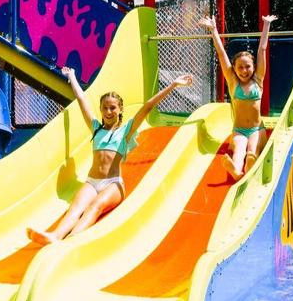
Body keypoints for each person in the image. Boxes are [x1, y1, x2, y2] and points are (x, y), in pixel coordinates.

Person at [26, 67, 193, 244]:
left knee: (94, 207)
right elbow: (82, 99)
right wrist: (72, 76)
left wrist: (173, 85)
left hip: (113, 185)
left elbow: (148, 107)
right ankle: (56, 236)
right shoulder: (96, 127)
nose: (108, 112)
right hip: (92, 182)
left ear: (120, 109)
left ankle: (72, 240)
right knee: (75, 208)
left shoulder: (125, 132)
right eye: (105, 108)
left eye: (112, 108)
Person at [199, 14, 277, 181]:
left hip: (257, 129)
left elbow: (262, 49)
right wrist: (213, 30)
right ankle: (236, 170)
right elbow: (221, 54)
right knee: (240, 149)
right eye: (240, 67)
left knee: (252, 150)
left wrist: (266, 26)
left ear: (254, 67)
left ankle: (249, 165)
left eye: (248, 66)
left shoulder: (258, 79)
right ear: (233, 69)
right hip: (239, 130)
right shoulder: (233, 82)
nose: (244, 70)